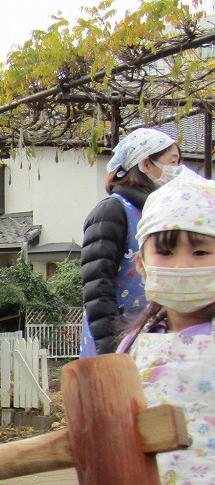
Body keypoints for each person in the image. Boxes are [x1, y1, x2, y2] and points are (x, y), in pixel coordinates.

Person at [88, 166, 215, 485]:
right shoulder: (132, 346)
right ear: (140, 263)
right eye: (165, 252)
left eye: (201, 252)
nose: (182, 266)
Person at [80, 127, 182, 357]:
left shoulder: (161, 214)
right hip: (120, 339)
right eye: (172, 162)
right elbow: (98, 286)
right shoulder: (113, 210)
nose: (178, 170)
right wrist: (111, 350)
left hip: (156, 339)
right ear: (146, 164)